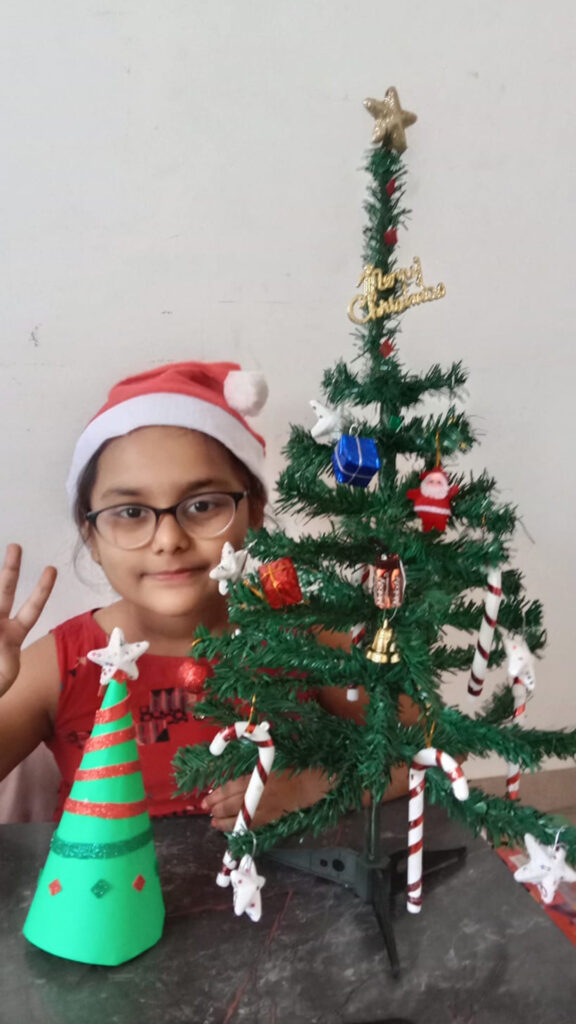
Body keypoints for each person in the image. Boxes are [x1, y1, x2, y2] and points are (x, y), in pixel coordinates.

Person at [0, 360, 411, 827]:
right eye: (130, 511)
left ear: (253, 512)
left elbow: (428, 751)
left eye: (201, 505)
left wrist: (313, 786)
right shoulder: (62, 662)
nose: (169, 539)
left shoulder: (302, 635)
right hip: (103, 896)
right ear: (90, 536)